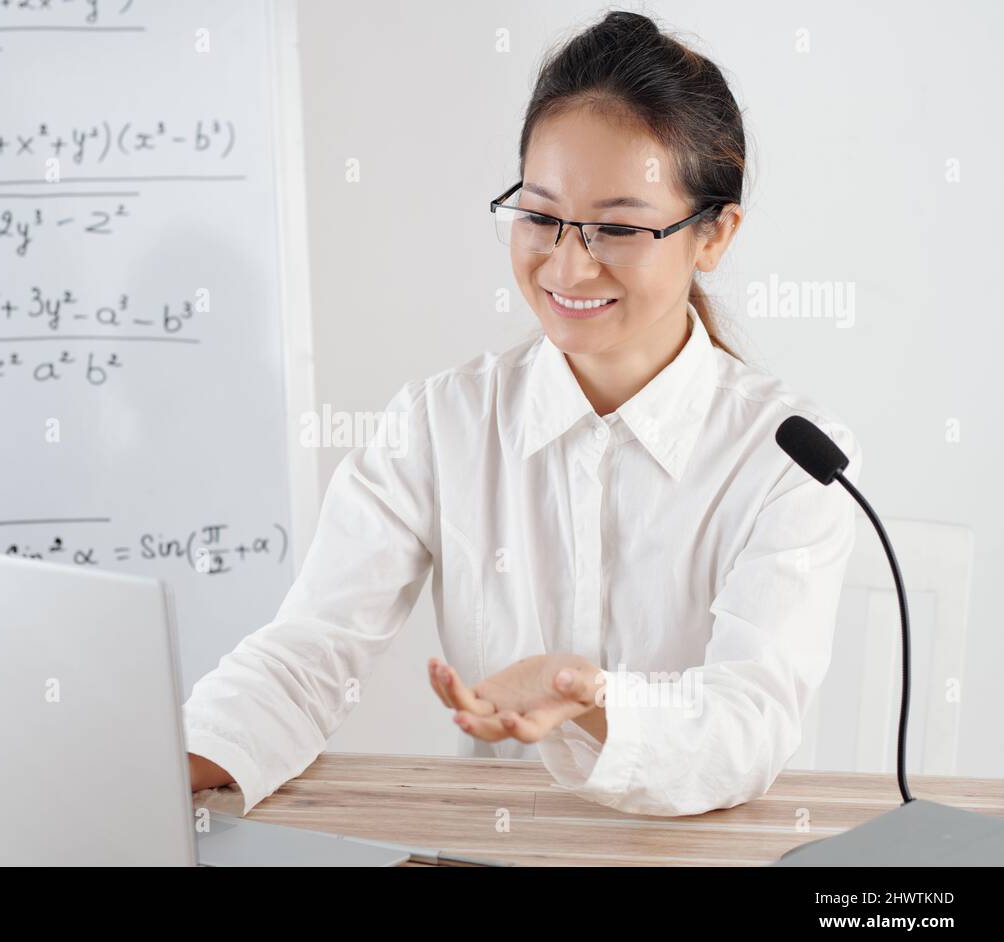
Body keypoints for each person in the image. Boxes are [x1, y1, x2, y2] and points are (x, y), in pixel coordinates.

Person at [183, 10, 861, 817]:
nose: (569, 262)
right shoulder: (441, 425)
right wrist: (137, 778)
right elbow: (308, 656)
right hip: (499, 842)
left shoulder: (790, 457)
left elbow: (745, 727)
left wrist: (592, 696)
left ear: (714, 235)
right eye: (540, 215)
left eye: (618, 227)